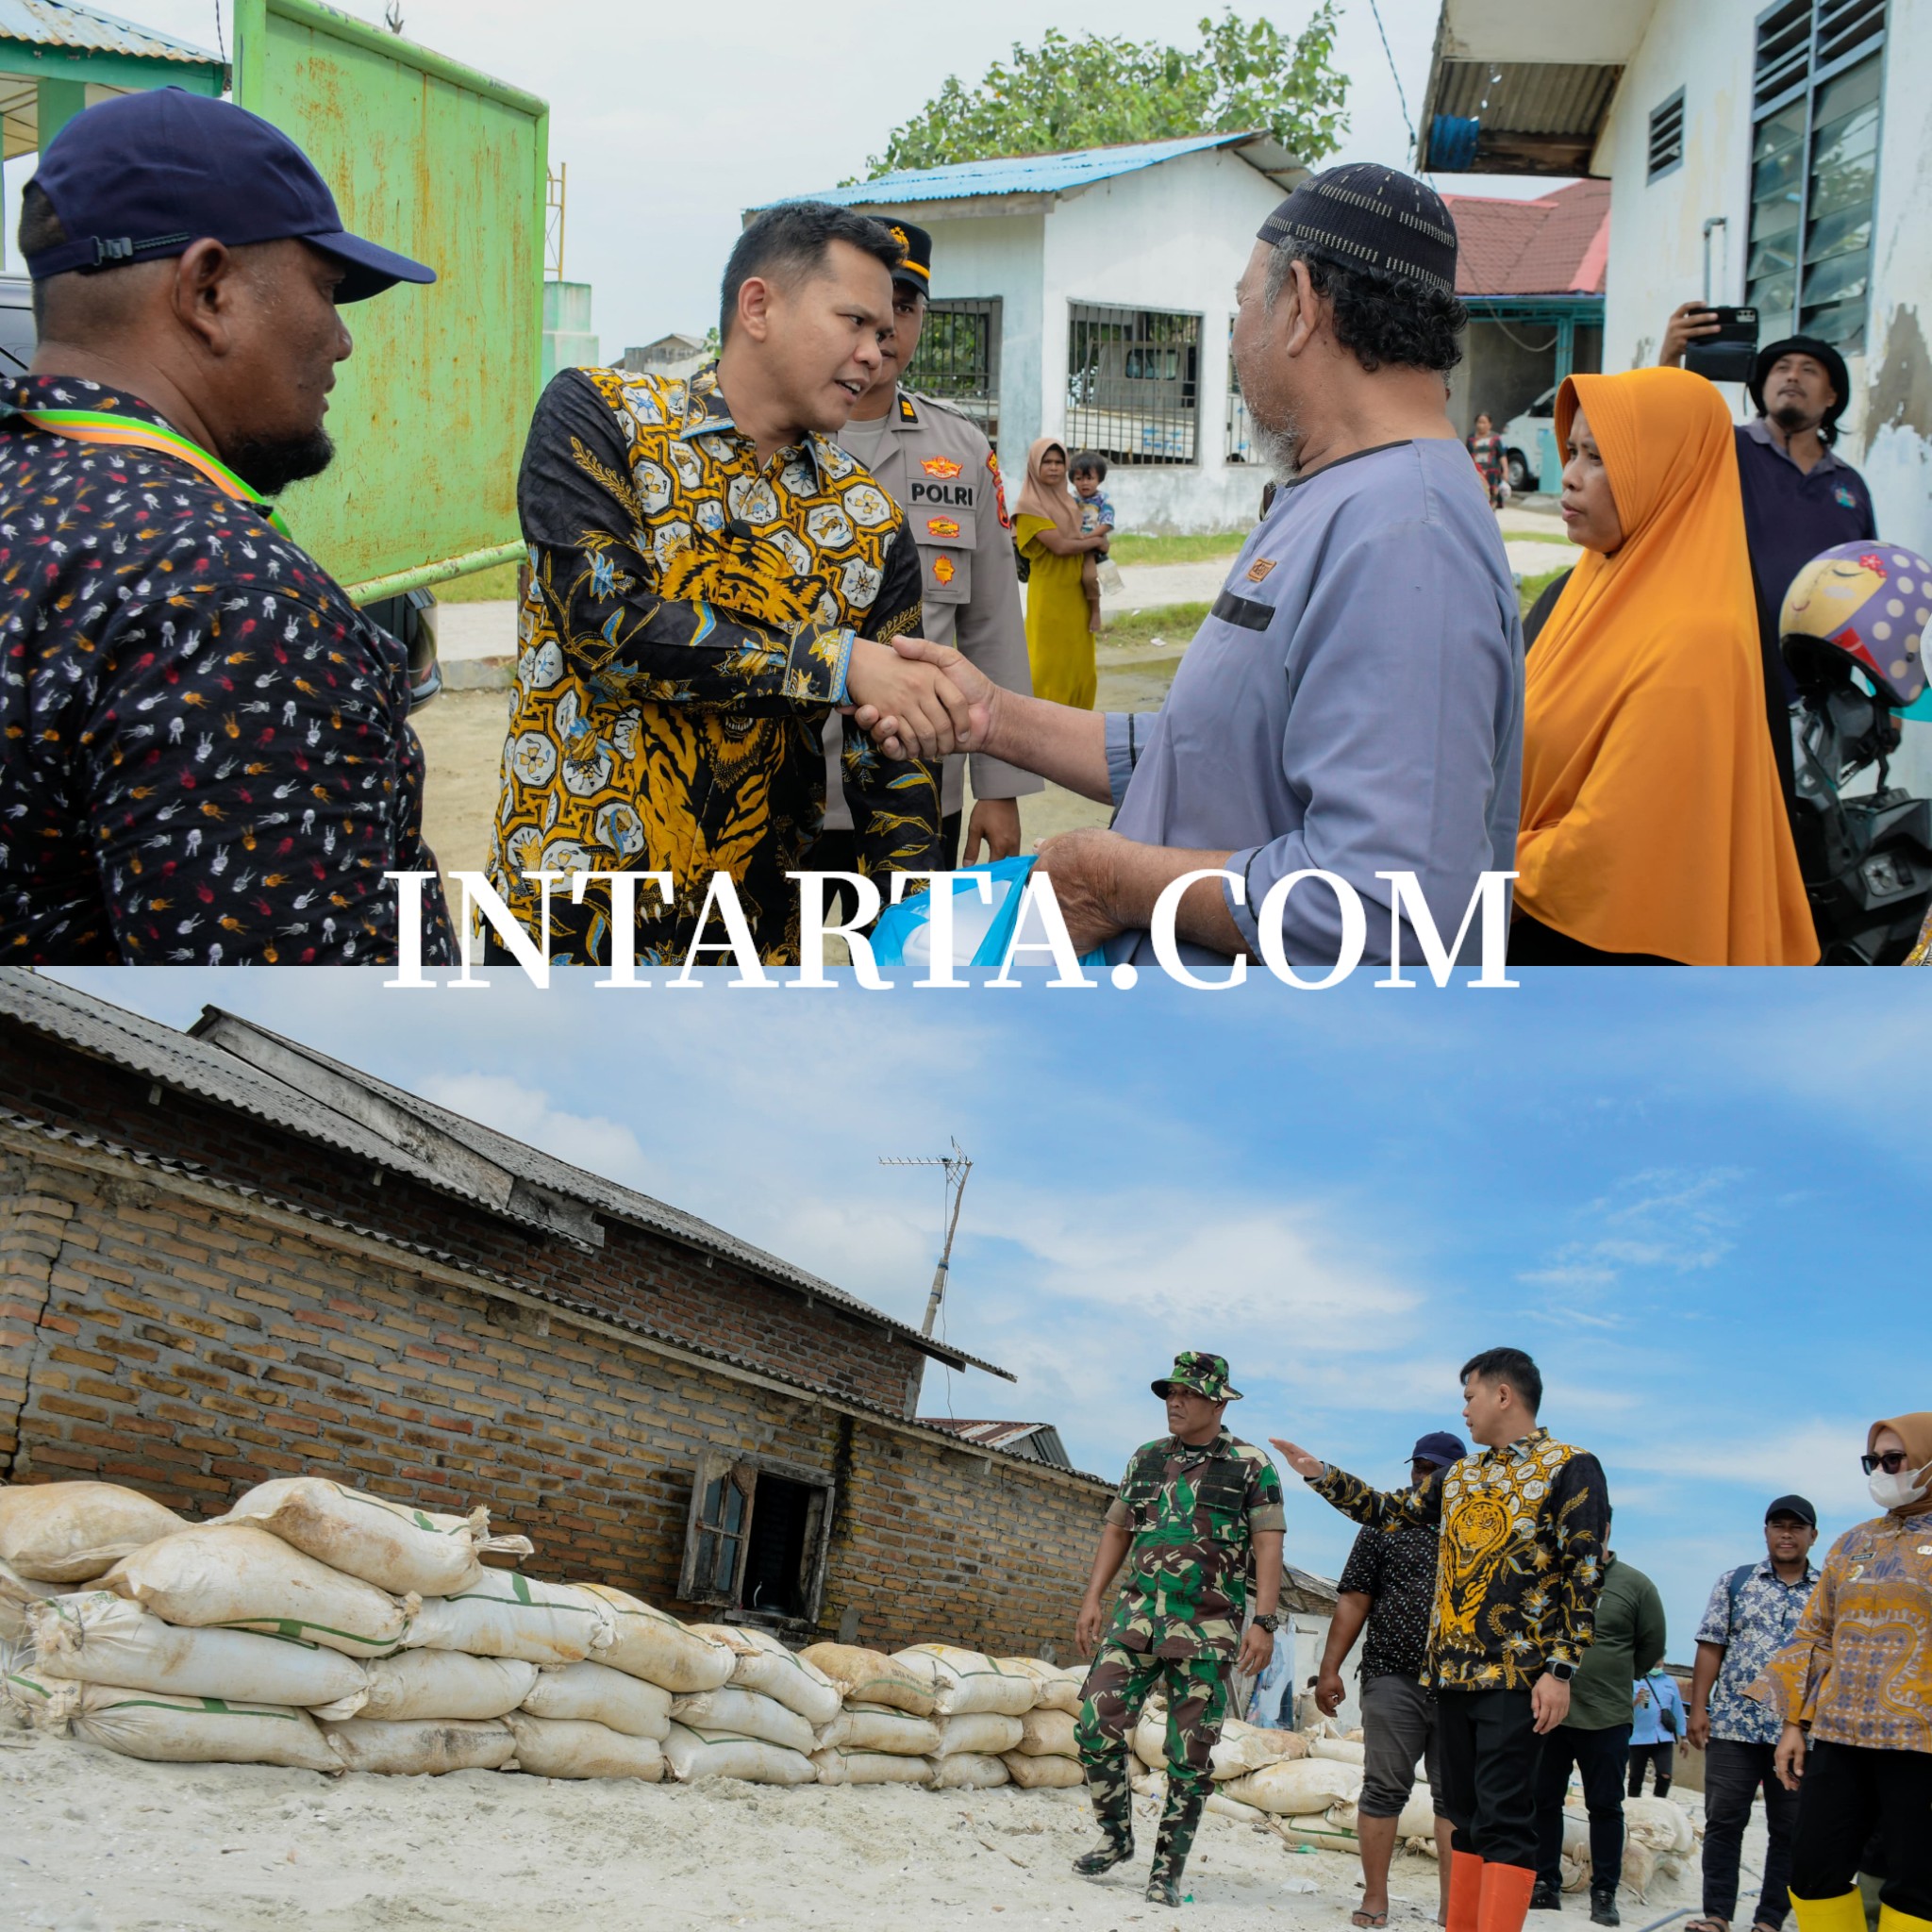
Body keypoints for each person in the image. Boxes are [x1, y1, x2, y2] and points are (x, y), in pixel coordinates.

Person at [856, 163, 1524, 972]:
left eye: (1242, 305)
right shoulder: (1339, 494)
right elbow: (1209, 753)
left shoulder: (1406, 535)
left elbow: (1390, 903)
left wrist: (1108, 880)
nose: (1237, 340)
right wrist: (995, 717)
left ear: (1303, 305)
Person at [0, 88, 453, 967]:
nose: (341, 341)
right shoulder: (226, 600)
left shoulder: (33, 503)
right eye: (326, 291)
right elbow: (302, 1021)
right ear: (208, 290)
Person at [482, 202, 971, 966]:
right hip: (563, 935)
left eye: (884, 333)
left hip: (750, 950)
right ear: (758, 306)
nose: (876, 353)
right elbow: (608, 627)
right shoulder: (601, 417)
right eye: (853, 322)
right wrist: (837, 662)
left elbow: (893, 770)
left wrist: (914, 947)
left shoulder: (871, 523)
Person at [1272, 1348, 1610, 1932]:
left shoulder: (1569, 1466)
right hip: (1447, 1675)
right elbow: (1387, 1511)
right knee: (1464, 1815)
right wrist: (1322, 1476)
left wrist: (1560, 1670)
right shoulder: (1461, 1476)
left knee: (1505, 1816)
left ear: (1504, 1395)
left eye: (1469, 1396)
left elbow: (1585, 1572)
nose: (1465, 1410)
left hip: (1516, 1674)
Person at [1509, 368, 1818, 965]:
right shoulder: (1588, 587)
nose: (1569, 477)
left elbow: (1613, 846)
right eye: (1571, 451)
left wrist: (1487, 876)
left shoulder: (1695, 637)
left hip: (1600, 959)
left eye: (1598, 458)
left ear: (1666, 473)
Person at [809, 220, 1038, 891]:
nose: (883, 329)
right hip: (784, 786)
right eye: (862, 308)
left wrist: (1000, 787)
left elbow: (992, 626)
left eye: (903, 308)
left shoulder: (962, 449)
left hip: (918, 783)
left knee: (908, 980)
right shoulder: (777, 433)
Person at [1073, 1352, 1284, 1907]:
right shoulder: (1145, 1458)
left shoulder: (1250, 1464)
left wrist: (1263, 1621)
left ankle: (1166, 1870)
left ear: (1218, 1402)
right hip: (1135, 1620)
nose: (1174, 1401)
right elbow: (1118, 1529)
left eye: (1187, 1394)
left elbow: (1268, 1545)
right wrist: (1093, 1598)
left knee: (1189, 1757)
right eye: (1170, 1392)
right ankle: (1116, 1837)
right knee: (1095, 1726)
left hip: (1207, 1629)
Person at [1754, 1417, 1932, 1932]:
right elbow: (1816, 1636)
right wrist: (1794, 1724)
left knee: (1917, 1882)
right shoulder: (1853, 1544)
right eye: (1871, 1462)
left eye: (1892, 1460)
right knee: (1812, 1869)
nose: (1880, 1471)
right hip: (1839, 1736)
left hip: (1919, 1745)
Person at [1658, 309, 1877, 697]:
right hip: (1726, 679)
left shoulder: (1851, 485)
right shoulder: (1724, 449)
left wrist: (1888, 701)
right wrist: (1671, 358)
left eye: (1809, 369)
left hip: (1820, 694)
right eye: (1781, 368)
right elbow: (1668, 429)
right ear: (1762, 388)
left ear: (1832, 396)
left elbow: (1873, 591)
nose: (1792, 375)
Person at [1318, 1430, 1468, 1929]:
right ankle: (1376, 1899)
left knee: (1455, 1798)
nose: (1423, 1476)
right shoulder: (1386, 1522)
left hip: (1462, 1686)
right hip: (1392, 1676)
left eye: (1435, 1469)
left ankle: (1453, 1908)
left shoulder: (1478, 1527)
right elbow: (1354, 1598)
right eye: (1418, 1467)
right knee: (1383, 1788)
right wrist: (1329, 1667)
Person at [1683, 1495, 1822, 1932]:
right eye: (1778, 1526)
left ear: (1812, 1536)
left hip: (1799, 1732)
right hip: (1733, 1725)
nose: (1786, 1534)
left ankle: (1769, 1920)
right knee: (1723, 1820)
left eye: (1796, 1528)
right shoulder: (1736, 1582)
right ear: (1765, 1532)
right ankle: (1717, 1915)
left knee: (1790, 1827)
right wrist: (1699, 1708)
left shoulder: (1828, 1591)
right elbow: (1711, 1645)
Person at [1531, 1530, 1667, 1924]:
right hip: (1549, 1714)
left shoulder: (1636, 1586)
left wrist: (1615, 1674)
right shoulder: (1552, 1576)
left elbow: (1649, 1647)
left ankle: (1604, 1891)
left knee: (1605, 1806)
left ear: (1605, 1530)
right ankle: (1545, 1883)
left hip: (1607, 1715)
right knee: (1543, 1800)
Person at [1013, 437, 1109, 708]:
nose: (1053, 467)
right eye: (1047, 461)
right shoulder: (1028, 507)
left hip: (1078, 592)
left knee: (1077, 661)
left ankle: (1075, 721)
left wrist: (1096, 540)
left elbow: (1085, 533)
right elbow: (1061, 546)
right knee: (1048, 663)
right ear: (1034, 465)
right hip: (1050, 594)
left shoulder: (1071, 501)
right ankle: (1043, 723)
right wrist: (1098, 542)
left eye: (1058, 462)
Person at [1070, 449, 1116, 633]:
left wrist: (1087, 538)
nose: (1084, 483)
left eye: (1089, 478)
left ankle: (1095, 611)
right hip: (1073, 544)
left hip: (1090, 548)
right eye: (1079, 478)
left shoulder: (1104, 501)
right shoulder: (1070, 499)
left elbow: (1107, 524)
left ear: (1099, 479)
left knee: (1089, 577)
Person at [1627, 1669, 1685, 1797]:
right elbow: (1622, 1708)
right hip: (1638, 1736)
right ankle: (1634, 1806)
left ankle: (1659, 1803)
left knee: (1665, 1775)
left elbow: (1678, 1710)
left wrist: (1684, 1738)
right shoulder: (1634, 1680)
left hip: (1663, 1736)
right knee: (1636, 1777)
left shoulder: (1670, 1682)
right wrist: (1636, 1700)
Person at [1468, 412, 1509, 508]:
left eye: (1484, 422)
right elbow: (1467, 456)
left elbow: (1502, 455)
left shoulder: (1495, 438)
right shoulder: (1471, 439)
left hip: (1492, 474)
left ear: (1490, 424)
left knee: (1492, 497)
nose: (1481, 425)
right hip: (1476, 474)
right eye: (1479, 422)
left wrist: (1506, 471)